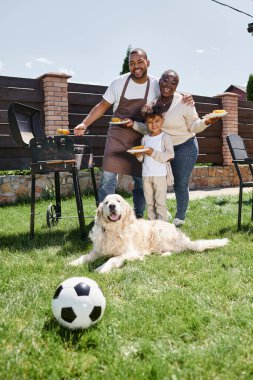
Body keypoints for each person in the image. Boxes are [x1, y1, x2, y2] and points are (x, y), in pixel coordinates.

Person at [74, 49, 192, 218]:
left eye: (140, 62)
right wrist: (84, 123)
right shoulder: (118, 83)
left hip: (141, 136)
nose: (136, 66)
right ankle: (103, 218)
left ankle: (137, 216)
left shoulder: (155, 84)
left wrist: (186, 97)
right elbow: (102, 106)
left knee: (139, 180)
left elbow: (171, 93)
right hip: (117, 136)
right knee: (107, 178)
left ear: (148, 63)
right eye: (132, 63)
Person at [140, 69, 221, 226]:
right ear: (160, 81)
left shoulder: (184, 102)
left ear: (177, 86)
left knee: (180, 183)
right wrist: (133, 124)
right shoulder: (153, 103)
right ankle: (164, 213)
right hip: (163, 149)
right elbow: (148, 128)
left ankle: (180, 218)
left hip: (185, 147)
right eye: (165, 80)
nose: (168, 85)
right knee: (160, 181)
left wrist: (208, 121)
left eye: (173, 83)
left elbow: (194, 126)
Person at [133, 105, 174, 221]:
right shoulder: (145, 138)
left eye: (156, 121)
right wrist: (138, 155)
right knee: (149, 203)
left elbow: (170, 156)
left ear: (162, 121)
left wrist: (153, 153)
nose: (153, 124)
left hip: (160, 175)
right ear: (146, 123)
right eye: (150, 122)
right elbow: (142, 160)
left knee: (160, 203)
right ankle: (152, 225)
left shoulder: (165, 137)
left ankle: (162, 226)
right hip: (146, 175)